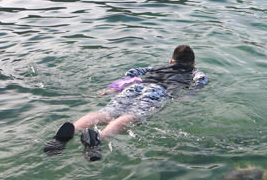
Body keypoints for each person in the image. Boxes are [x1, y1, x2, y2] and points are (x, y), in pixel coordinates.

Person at [43, 44, 208, 161]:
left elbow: (134, 71)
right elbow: (201, 82)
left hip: (135, 87)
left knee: (107, 113)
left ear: (172, 61)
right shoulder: (194, 72)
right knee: (132, 116)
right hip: (159, 91)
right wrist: (186, 96)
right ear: (193, 63)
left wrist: (118, 86)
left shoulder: (158, 67)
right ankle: (98, 138)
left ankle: (70, 131)